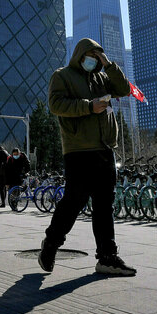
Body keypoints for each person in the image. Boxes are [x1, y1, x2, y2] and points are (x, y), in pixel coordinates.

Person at [39, 38, 136, 276]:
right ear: (80, 55)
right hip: (78, 149)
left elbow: (124, 89)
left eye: (98, 57)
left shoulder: (103, 78)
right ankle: (51, 244)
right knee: (74, 201)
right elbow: (55, 104)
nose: (94, 60)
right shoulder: (62, 76)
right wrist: (88, 106)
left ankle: (107, 257)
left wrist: (109, 65)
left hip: (105, 148)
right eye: (91, 56)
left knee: (105, 205)